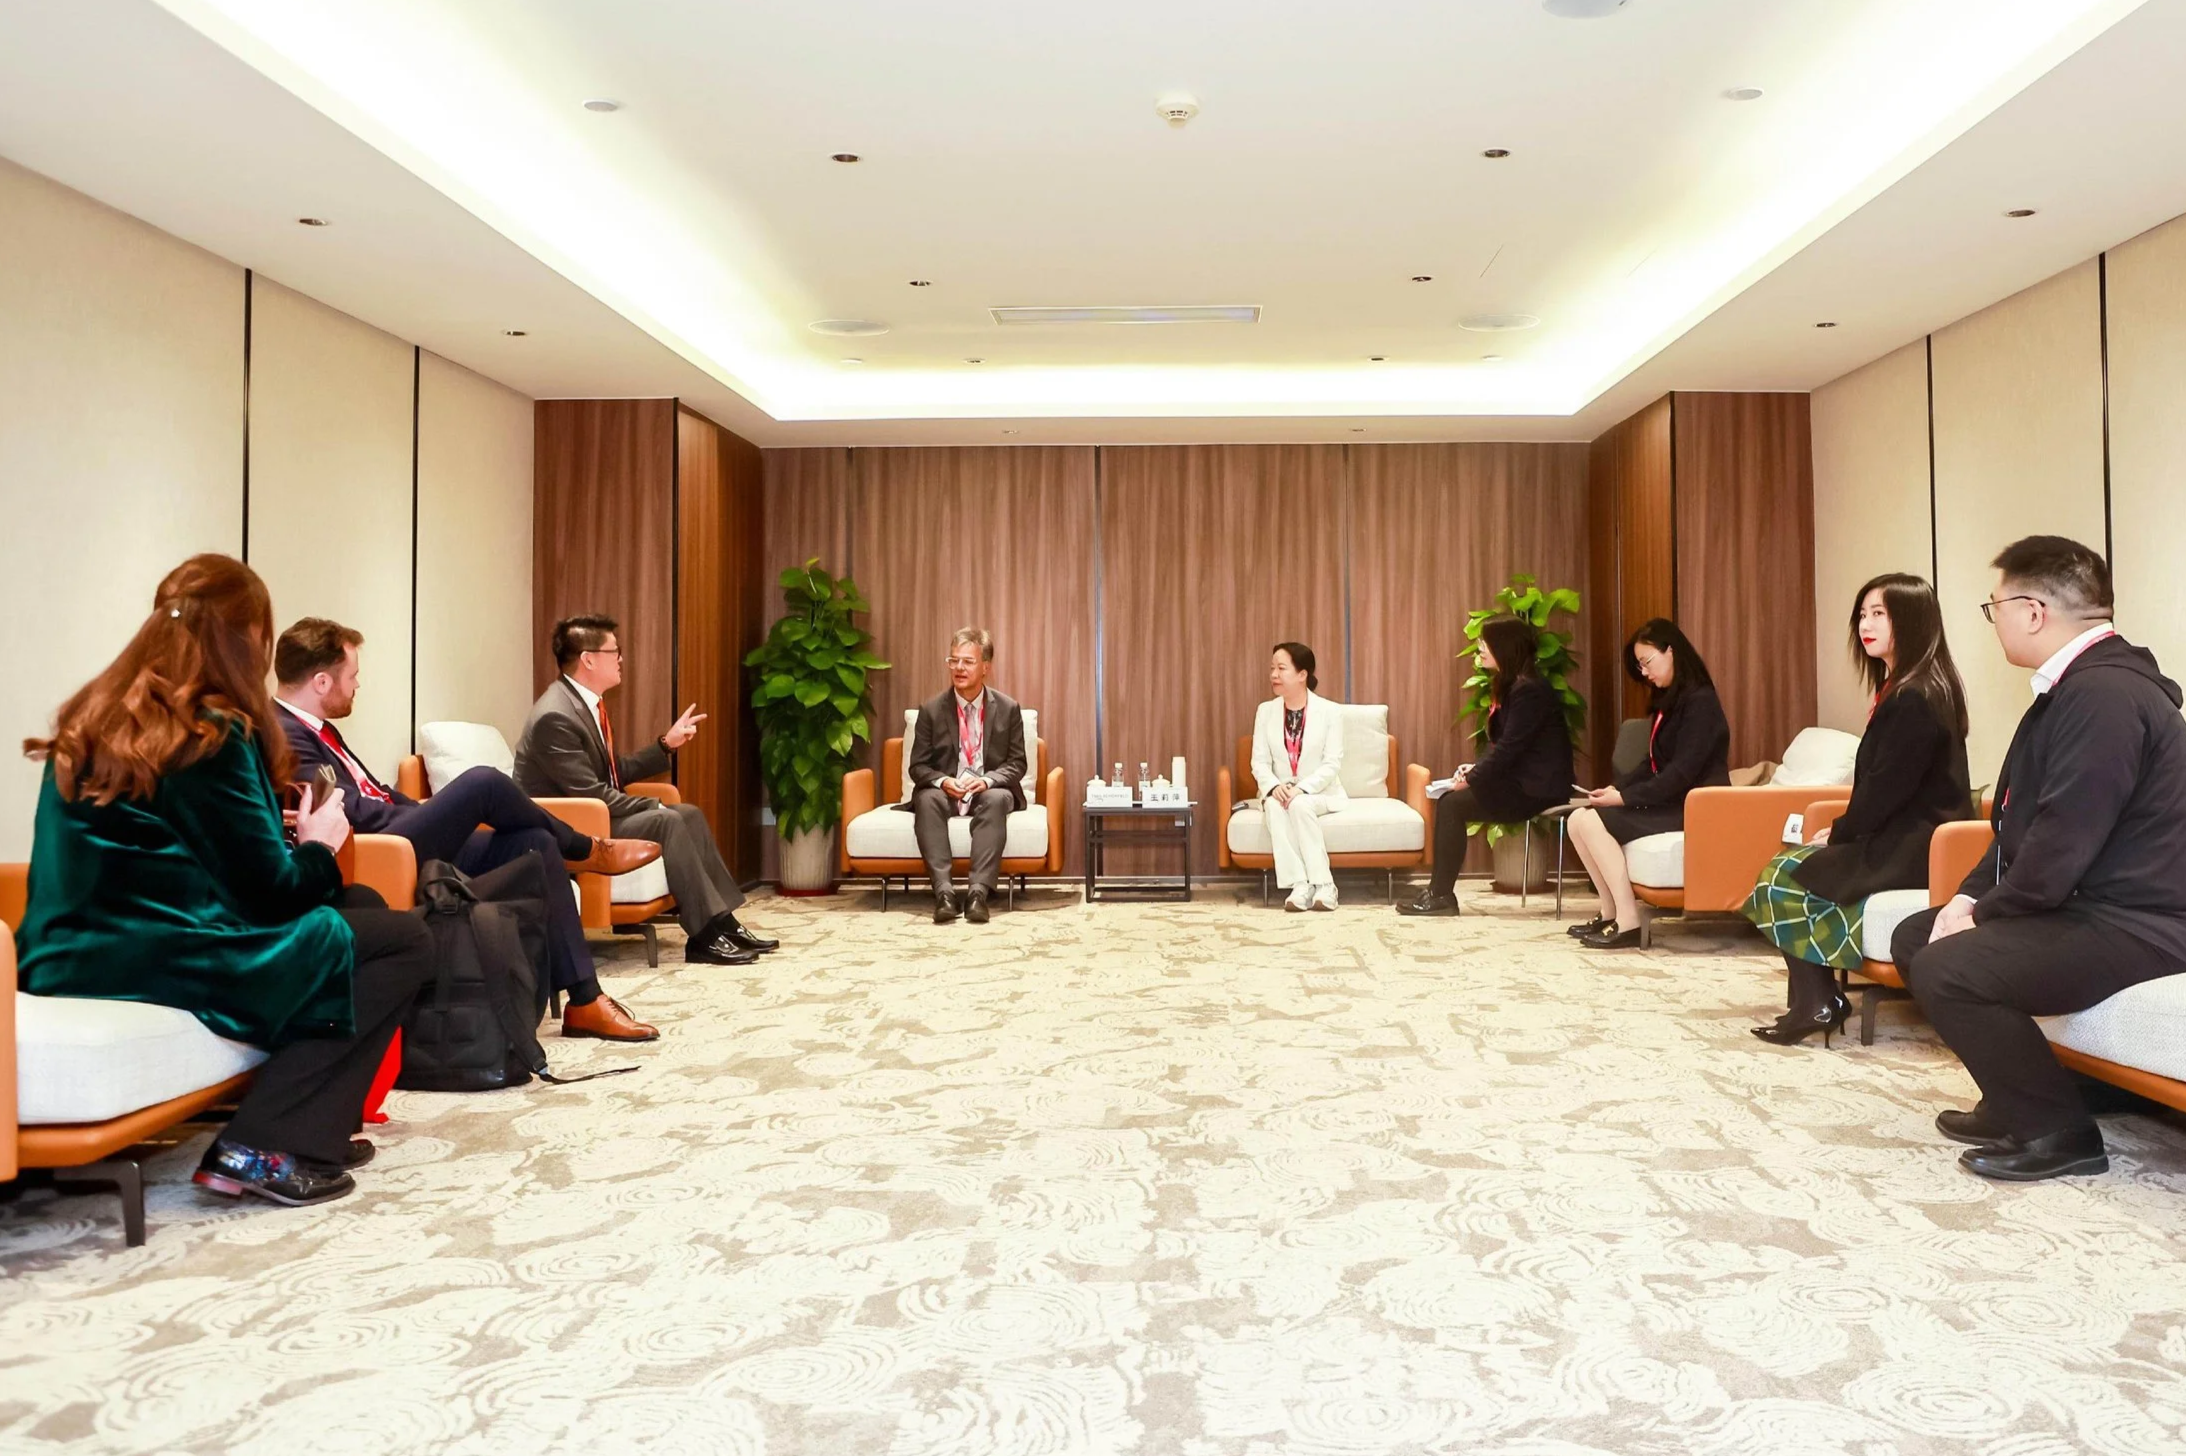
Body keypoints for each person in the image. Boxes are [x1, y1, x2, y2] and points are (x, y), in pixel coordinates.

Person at [15, 554, 434, 1208]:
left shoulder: (94, 717)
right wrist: (319, 846)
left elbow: (179, 856)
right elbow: (270, 894)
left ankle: (312, 1120)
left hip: (65, 953)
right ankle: (265, 1147)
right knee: (403, 939)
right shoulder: (210, 728)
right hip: (164, 957)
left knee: (361, 906)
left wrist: (298, 855)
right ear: (249, 641)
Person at [1890, 536, 2186, 1182]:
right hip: (2091, 908)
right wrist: (1969, 899)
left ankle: (2062, 1134)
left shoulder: (2104, 696)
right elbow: (2017, 829)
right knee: (1919, 935)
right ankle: (2017, 1097)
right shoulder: (2072, 690)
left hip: (2141, 924)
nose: (1992, 619)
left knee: (1950, 967)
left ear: (2032, 611)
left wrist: (1987, 915)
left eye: (1992, 606)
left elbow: (2062, 844)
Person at [273, 618, 661, 1043]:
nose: (357, 686)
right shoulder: (285, 735)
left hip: (395, 831)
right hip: (379, 850)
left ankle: (584, 1001)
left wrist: (432, 811)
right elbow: (349, 812)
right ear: (323, 681)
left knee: (533, 843)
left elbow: (377, 792)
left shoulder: (319, 729)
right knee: (483, 782)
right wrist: (431, 813)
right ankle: (587, 848)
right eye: (353, 677)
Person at [1743, 575, 1970, 1045]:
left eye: (1879, 614)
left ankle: (1818, 1001)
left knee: (1783, 874)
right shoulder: (1910, 686)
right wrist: (1845, 830)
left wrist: (1842, 832)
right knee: (1789, 865)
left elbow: (1885, 790)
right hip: (1902, 833)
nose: (1865, 624)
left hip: (1915, 845)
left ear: (1910, 620)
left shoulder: (1915, 696)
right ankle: (1818, 999)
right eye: (1863, 614)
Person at [513, 614, 777, 966]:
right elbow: (593, 796)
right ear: (589, 659)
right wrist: (655, 806)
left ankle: (722, 923)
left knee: (688, 814)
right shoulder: (555, 716)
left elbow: (612, 772)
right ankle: (703, 937)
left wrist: (665, 745)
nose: (621, 658)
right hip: (570, 826)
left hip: (593, 812)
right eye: (614, 651)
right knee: (668, 821)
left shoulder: (583, 704)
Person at [1565, 619, 1731, 949]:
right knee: (1577, 820)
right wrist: (1617, 789)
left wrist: (1626, 798)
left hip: (1695, 806)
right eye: (1640, 665)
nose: (1644, 673)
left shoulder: (1701, 702)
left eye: (1647, 662)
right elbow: (1653, 763)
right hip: (1673, 798)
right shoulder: (1669, 701)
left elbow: (1680, 774)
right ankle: (1610, 911)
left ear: (1671, 651)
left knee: (1594, 821)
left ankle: (1628, 922)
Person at [1399, 615, 1576, 916]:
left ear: (1505, 647)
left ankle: (1440, 894)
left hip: (1538, 789)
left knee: (1453, 805)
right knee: (1451, 801)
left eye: (1486, 642)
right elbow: (1506, 747)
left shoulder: (1528, 690)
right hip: (1521, 782)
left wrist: (1474, 777)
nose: (1479, 648)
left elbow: (1509, 750)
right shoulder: (1513, 685)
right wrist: (1474, 769)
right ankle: (1438, 891)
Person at [903, 627, 1029, 925]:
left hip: (987, 790)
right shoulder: (932, 710)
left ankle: (977, 895)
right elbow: (918, 766)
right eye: (953, 660)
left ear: (985, 667)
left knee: (998, 797)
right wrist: (943, 781)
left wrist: (987, 780)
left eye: (967, 662)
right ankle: (944, 894)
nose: (959, 668)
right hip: (948, 790)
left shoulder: (1008, 709)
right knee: (927, 798)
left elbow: (1017, 763)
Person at [1252, 642, 1347, 911]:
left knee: (1299, 803)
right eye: (1272, 668)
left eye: (1282, 668)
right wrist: (1272, 787)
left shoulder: (1330, 712)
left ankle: (1325, 884)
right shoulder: (1265, 711)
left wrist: (1302, 789)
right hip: (1280, 790)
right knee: (1273, 804)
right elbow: (1258, 761)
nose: (1274, 675)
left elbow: (1332, 763)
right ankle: (1300, 884)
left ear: (1302, 674)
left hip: (1319, 793)